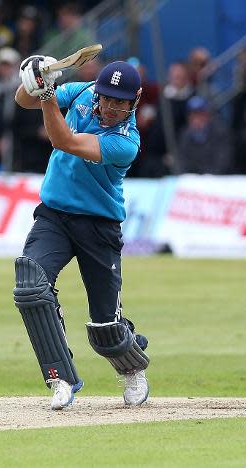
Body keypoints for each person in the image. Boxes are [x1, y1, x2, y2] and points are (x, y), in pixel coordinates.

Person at [12, 57, 150, 410]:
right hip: (54, 216)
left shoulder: (126, 142)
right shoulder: (83, 92)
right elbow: (22, 101)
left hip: (99, 225)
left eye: (120, 102)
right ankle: (61, 378)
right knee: (30, 283)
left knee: (105, 328)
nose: (110, 108)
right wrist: (35, 80)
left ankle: (132, 366)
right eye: (106, 98)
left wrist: (46, 94)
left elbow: (64, 141)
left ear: (134, 100)